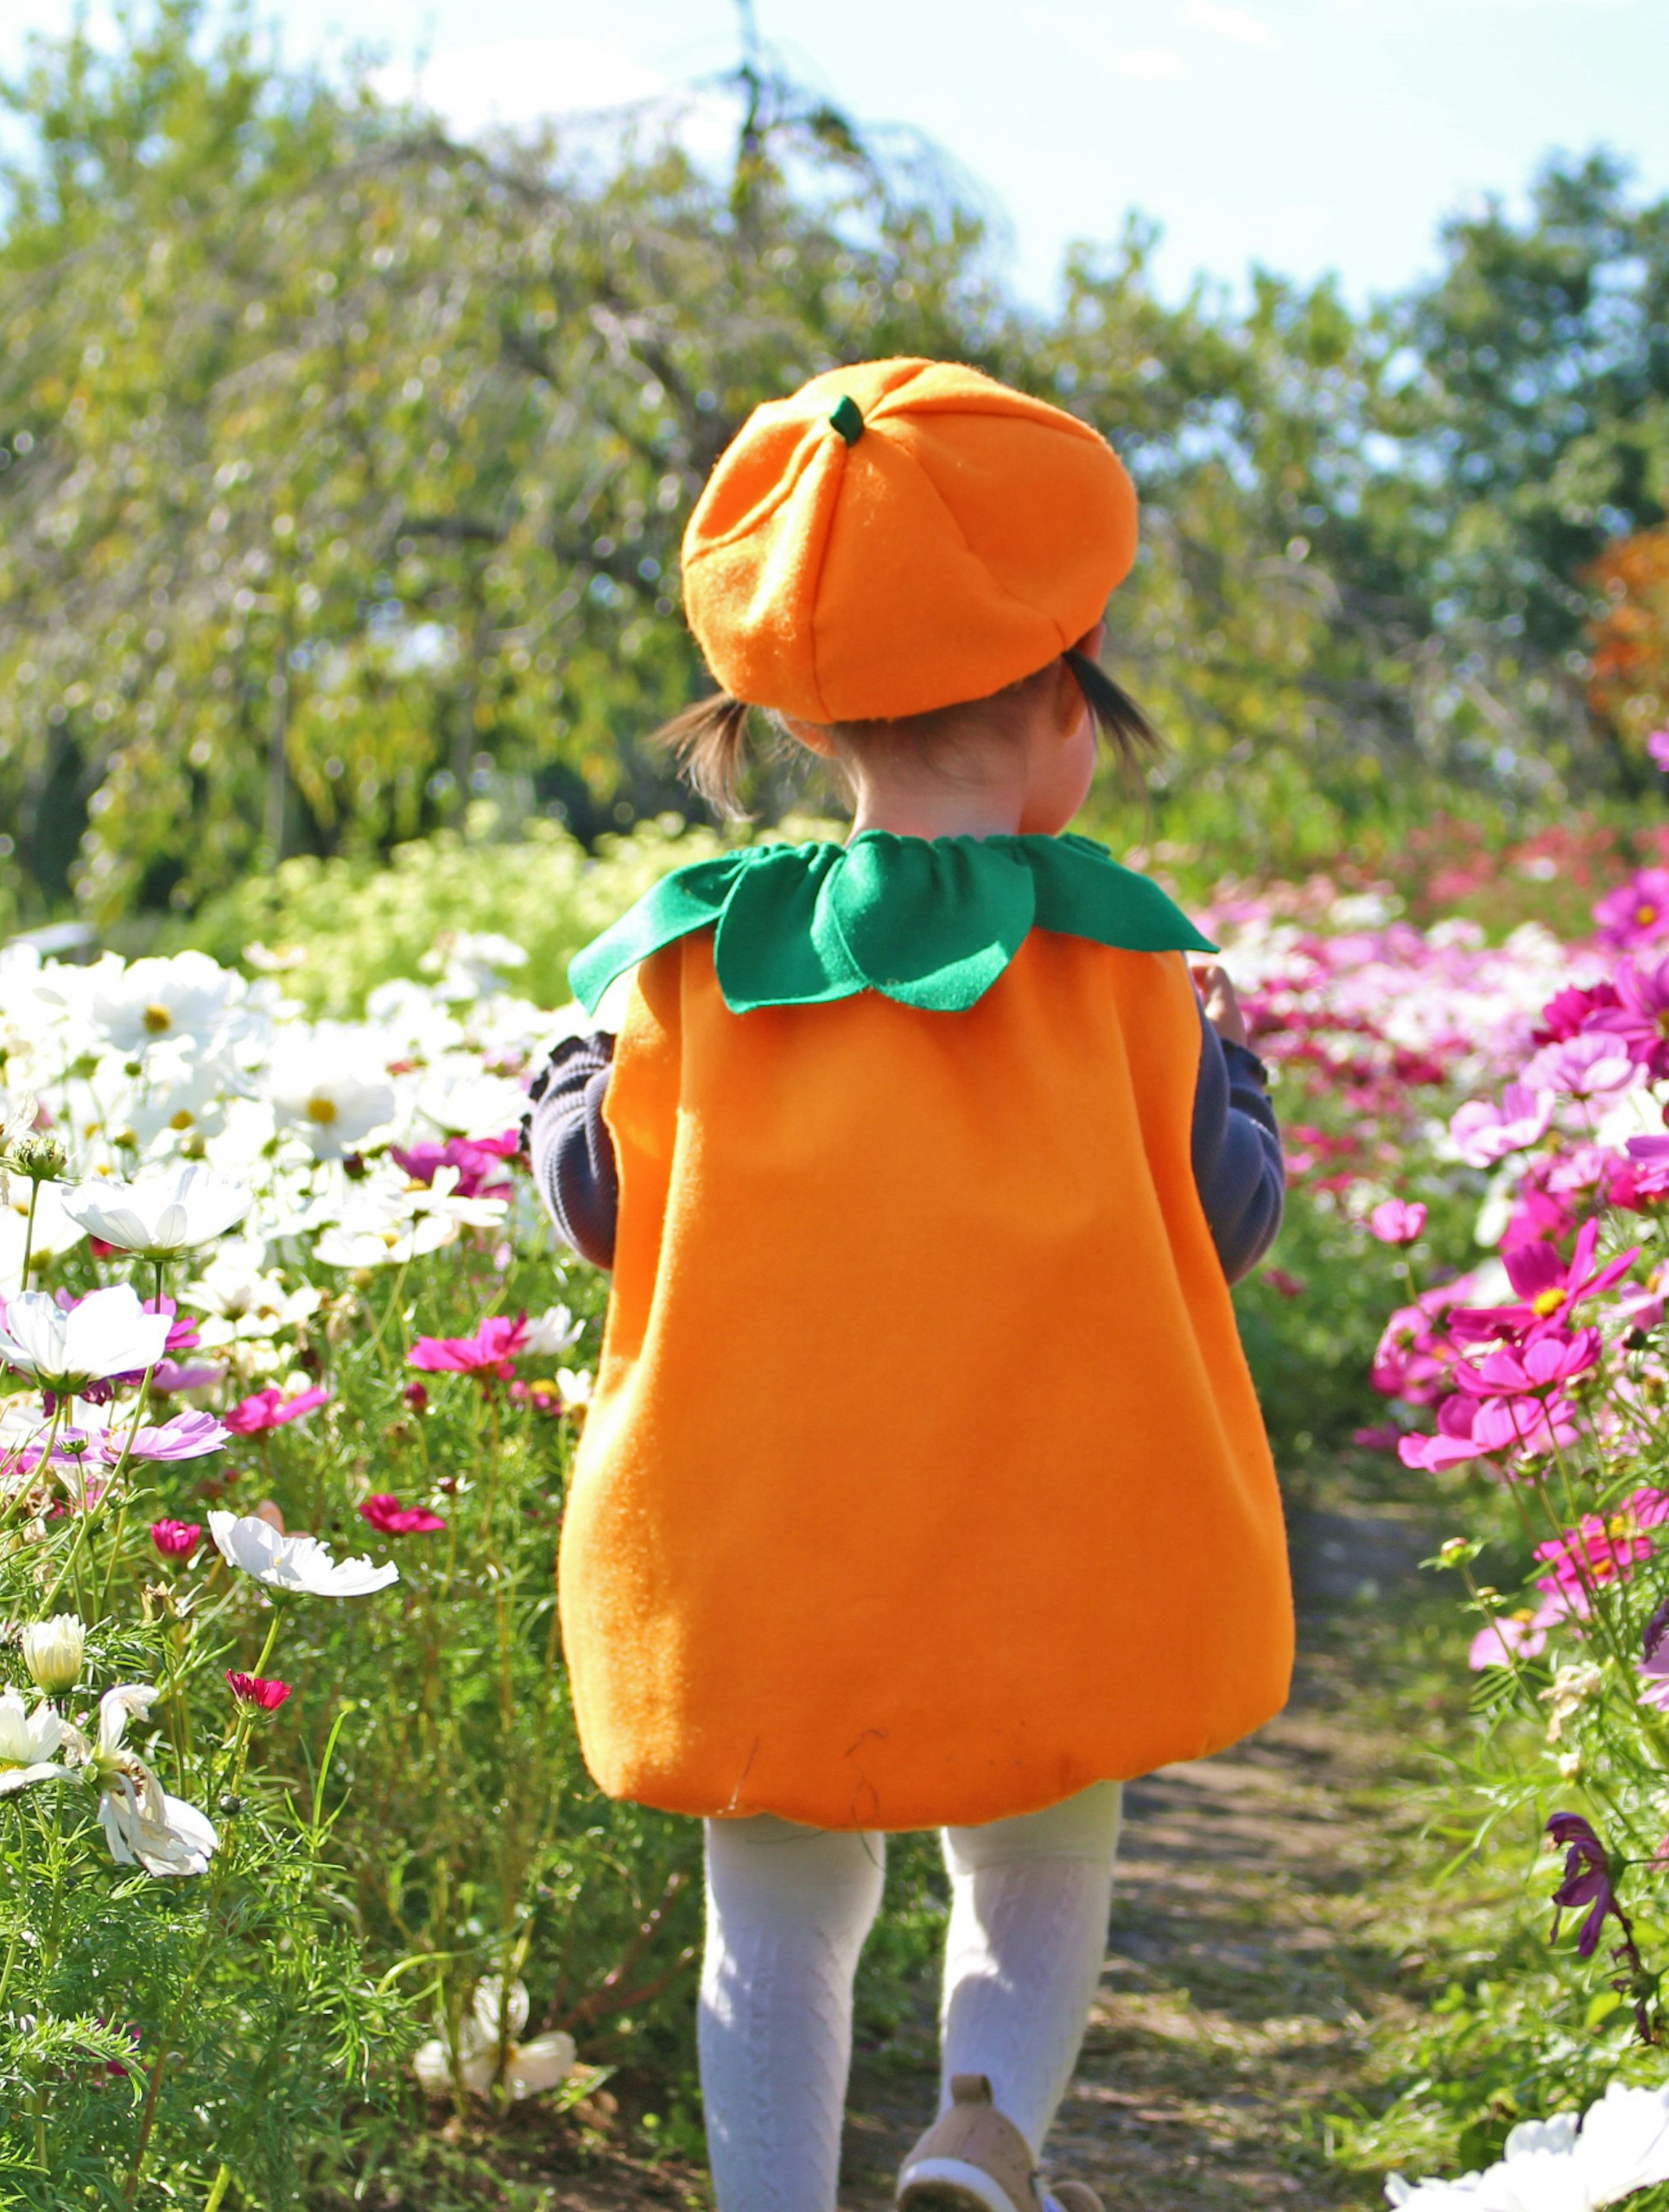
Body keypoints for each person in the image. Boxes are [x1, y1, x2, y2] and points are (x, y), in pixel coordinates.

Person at [525, 359, 1291, 2212]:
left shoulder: (697, 961)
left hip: (760, 1540)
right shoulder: (1123, 965)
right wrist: (1233, 1074)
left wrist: (566, 1071)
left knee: (771, 1907)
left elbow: (596, 1199)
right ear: (1056, 706)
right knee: (1037, 1849)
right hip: (1044, 1533)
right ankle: (980, 2130)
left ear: (797, 712)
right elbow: (1231, 1212)